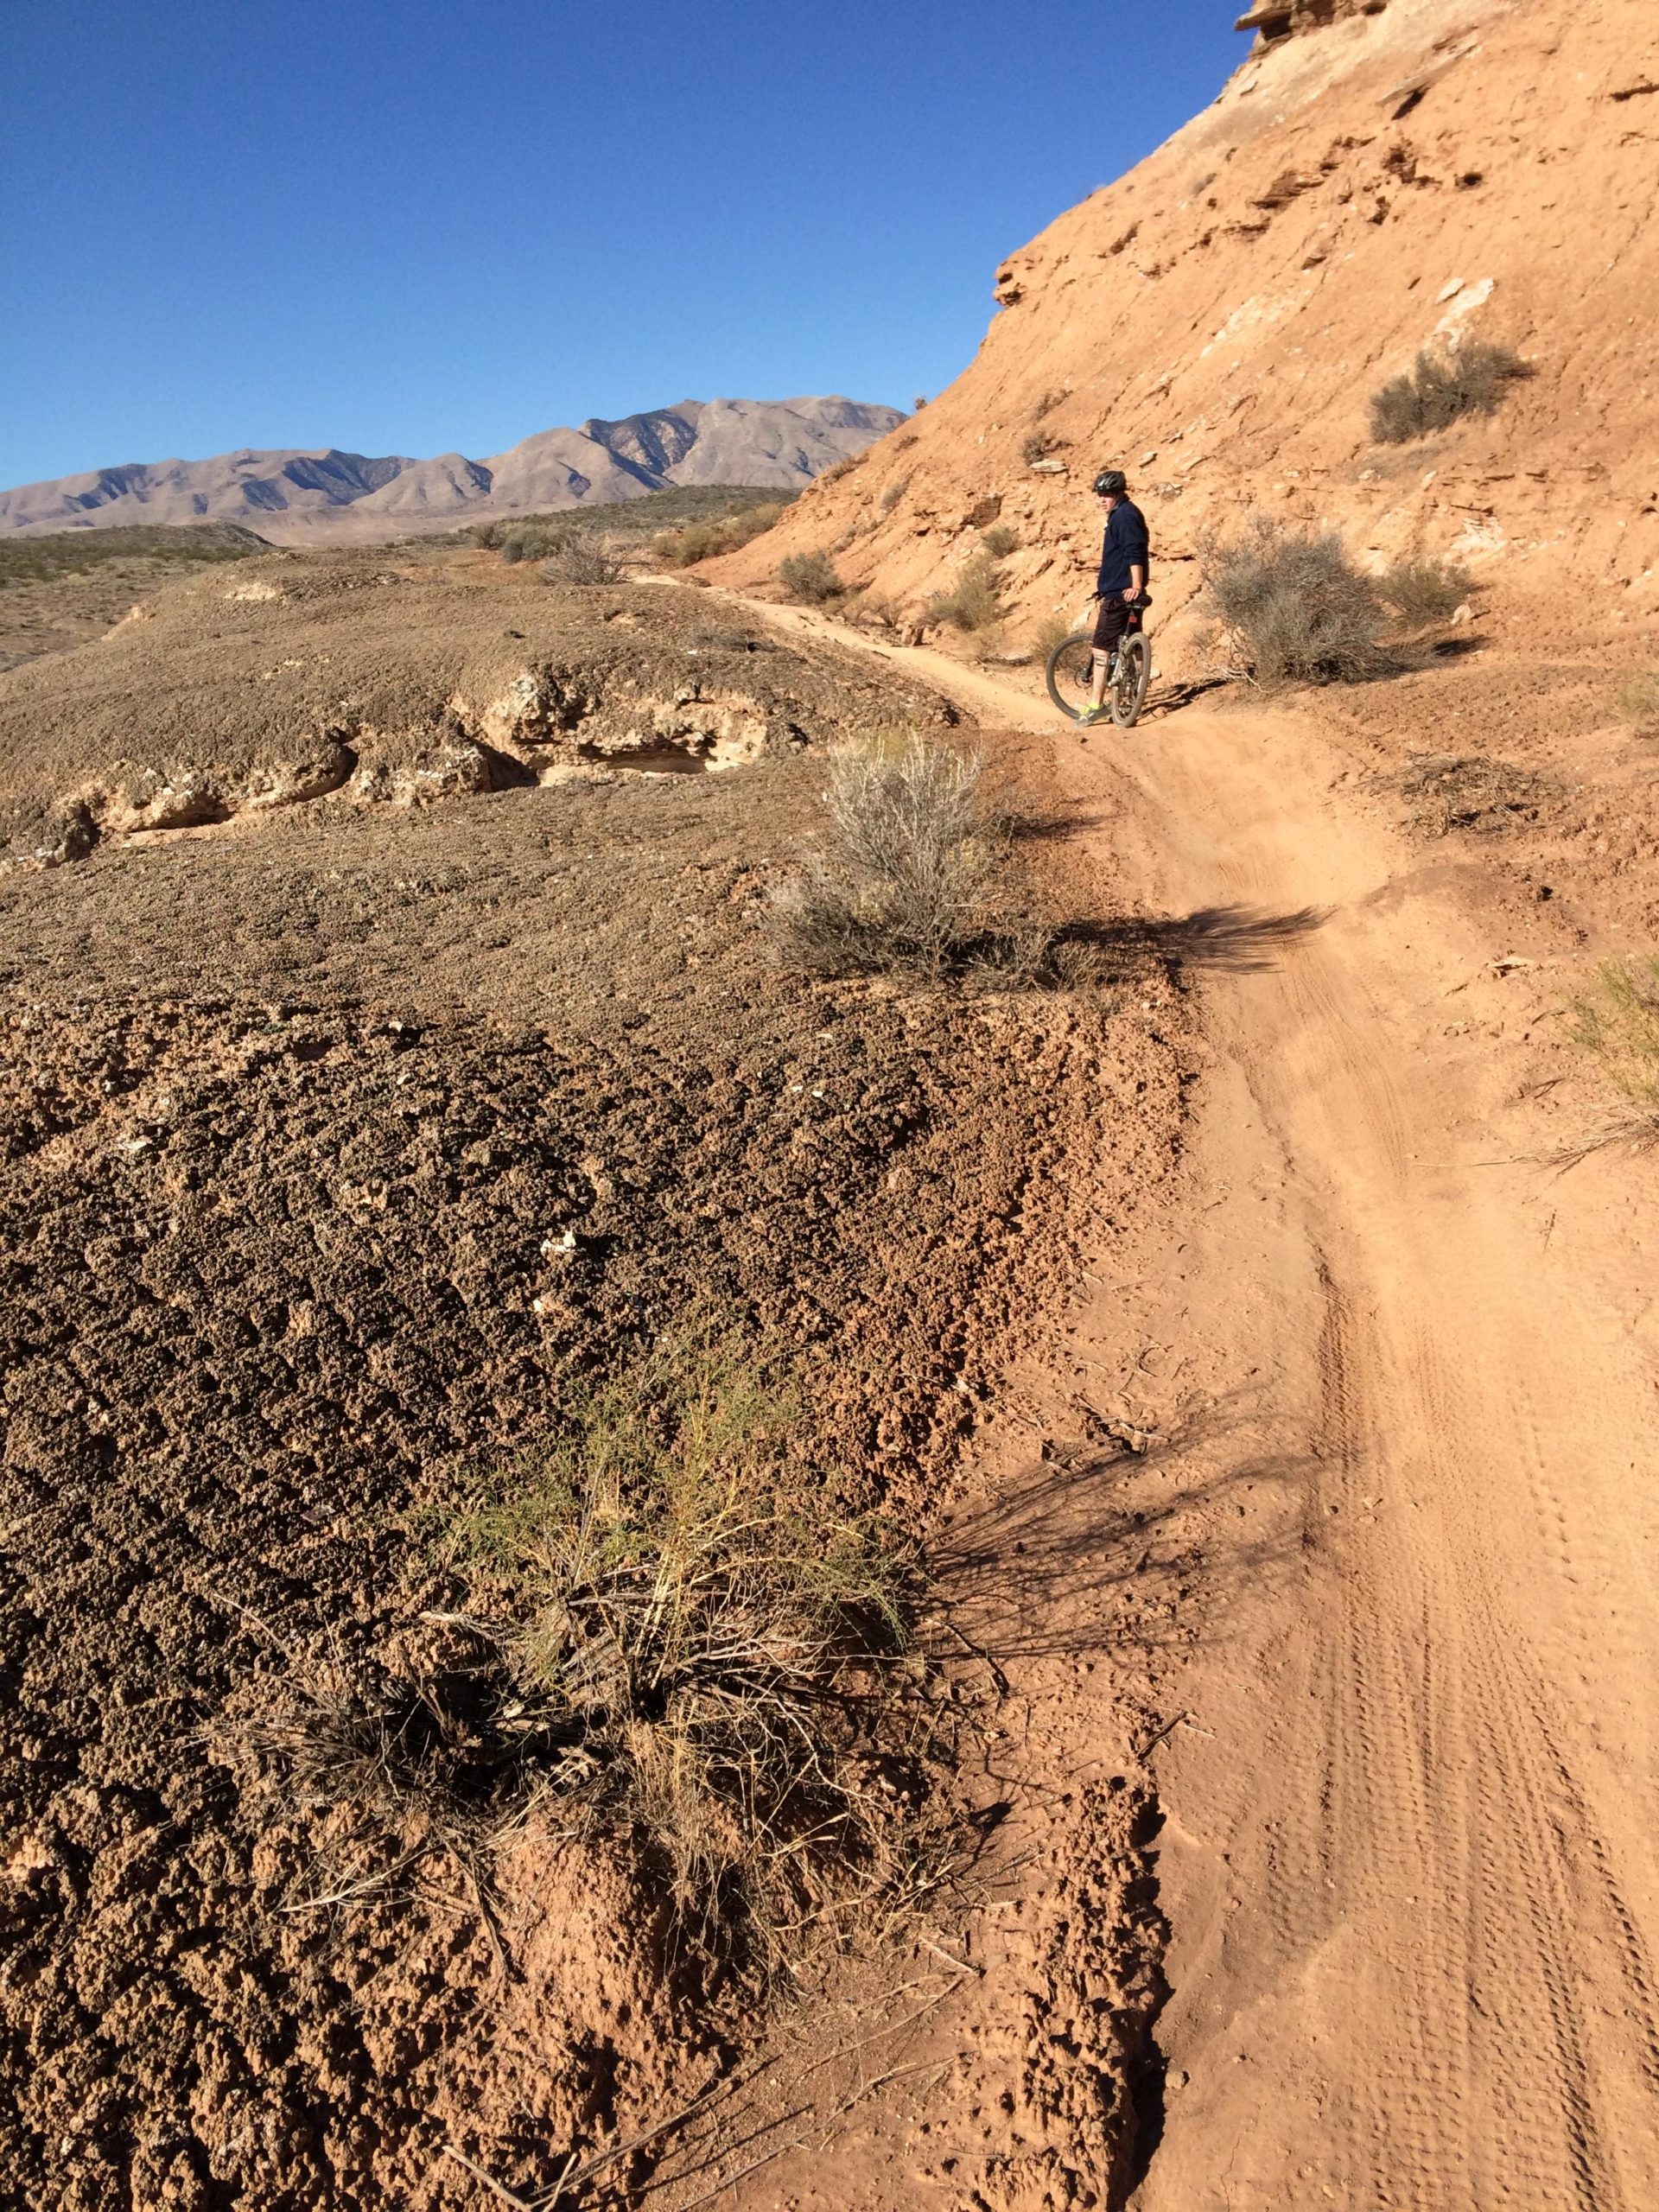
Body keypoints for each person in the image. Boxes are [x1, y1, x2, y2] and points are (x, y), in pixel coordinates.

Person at [1077, 469, 1150, 728]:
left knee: (1100, 649)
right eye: (1099, 495)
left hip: (1122, 594)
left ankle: (1096, 705)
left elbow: (1134, 553)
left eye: (1107, 495)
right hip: (1122, 591)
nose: (1102, 499)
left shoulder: (1125, 517)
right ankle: (1137, 691)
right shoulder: (1121, 514)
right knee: (1131, 642)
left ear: (1119, 493)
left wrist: (1136, 585)